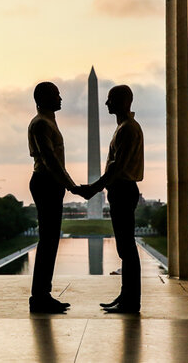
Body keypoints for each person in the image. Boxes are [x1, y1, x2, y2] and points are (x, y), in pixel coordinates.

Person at [78, 85, 144, 313]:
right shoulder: (124, 128)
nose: (106, 104)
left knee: (127, 248)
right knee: (124, 248)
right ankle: (126, 296)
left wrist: (93, 189)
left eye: (110, 100)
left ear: (123, 102)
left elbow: (117, 168)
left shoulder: (128, 129)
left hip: (123, 189)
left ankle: (130, 301)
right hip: (121, 190)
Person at [27, 81, 81, 313]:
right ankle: (39, 297)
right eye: (56, 95)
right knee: (48, 241)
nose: (61, 98)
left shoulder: (47, 122)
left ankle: (42, 294)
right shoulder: (41, 124)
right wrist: (72, 186)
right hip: (46, 183)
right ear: (44, 99)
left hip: (50, 184)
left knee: (50, 241)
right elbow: (50, 160)